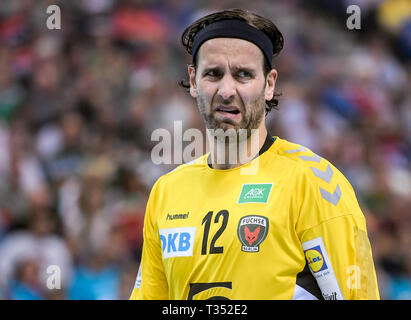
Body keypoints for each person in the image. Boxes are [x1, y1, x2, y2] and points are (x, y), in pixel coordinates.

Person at [130, 8, 380, 300]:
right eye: (213, 73)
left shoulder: (311, 182)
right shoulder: (166, 192)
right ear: (194, 81)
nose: (226, 90)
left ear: (269, 84)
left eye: (243, 75)